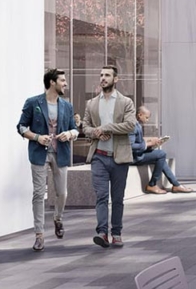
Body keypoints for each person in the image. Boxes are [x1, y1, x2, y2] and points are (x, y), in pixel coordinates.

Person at [18, 69, 79, 251]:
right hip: (39, 153)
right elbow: (21, 127)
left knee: (62, 193)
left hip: (60, 153)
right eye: (62, 80)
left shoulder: (67, 106)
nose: (65, 84)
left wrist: (68, 134)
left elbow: (75, 129)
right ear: (52, 82)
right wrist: (37, 137)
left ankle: (58, 218)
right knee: (38, 193)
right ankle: (39, 235)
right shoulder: (33, 102)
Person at [79, 62, 137, 248]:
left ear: (116, 79)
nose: (103, 78)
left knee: (118, 198)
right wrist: (95, 132)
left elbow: (130, 125)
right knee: (101, 196)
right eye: (101, 75)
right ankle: (102, 233)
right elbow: (85, 127)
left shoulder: (126, 102)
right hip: (99, 156)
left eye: (107, 75)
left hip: (119, 157)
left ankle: (117, 233)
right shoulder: (91, 103)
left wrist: (106, 128)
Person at [132, 105, 192, 194]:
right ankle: (152, 185)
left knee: (161, 157)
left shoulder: (138, 125)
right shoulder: (132, 126)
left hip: (139, 153)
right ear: (140, 115)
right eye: (146, 117)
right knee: (161, 154)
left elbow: (139, 143)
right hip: (134, 157)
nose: (147, 120)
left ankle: (176, 185)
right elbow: (130, 146)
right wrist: (148, 144)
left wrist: (151, 143)